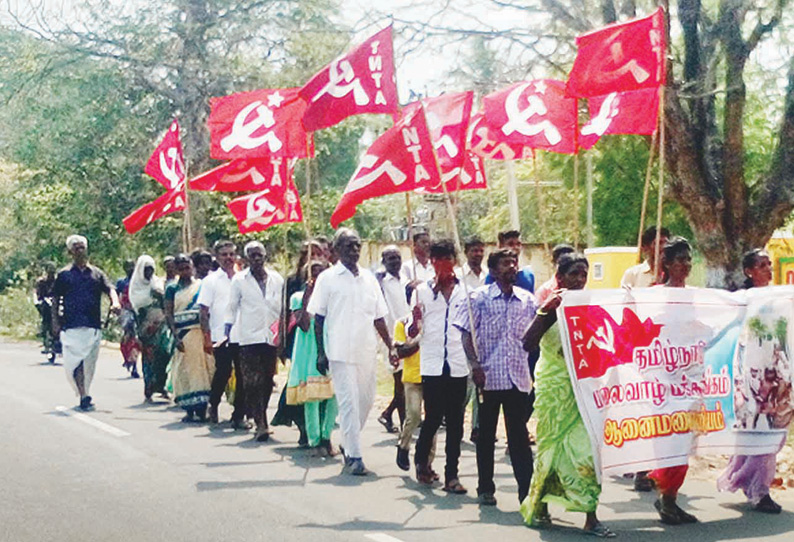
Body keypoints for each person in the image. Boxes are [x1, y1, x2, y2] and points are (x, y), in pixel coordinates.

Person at [520, 253, 615, 538]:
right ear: (559, 278)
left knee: (587, 452)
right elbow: (527, 342)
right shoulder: (552, 307)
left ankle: (590, 516)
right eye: (573, 274)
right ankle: (540, 506)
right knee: (550, 450)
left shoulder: (589, 306)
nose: (579, 280)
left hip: (584, 390)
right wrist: (544, 311)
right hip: (554, 388)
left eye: (583, 274)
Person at [307, 228, 395, 475]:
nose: (354, 250)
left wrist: (391, 346)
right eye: (348, 246)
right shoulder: (327, 279)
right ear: (336, 250)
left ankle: (348, 440)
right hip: (339, 352)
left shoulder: (369, 278)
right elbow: (318, 319)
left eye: (357, 245)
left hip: (366, 350)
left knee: (366, 401)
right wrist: (320, 352)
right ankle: (354, 457)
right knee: (349, 404)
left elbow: (379, 317)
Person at [456, 248, 535, 506]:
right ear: (493, 270)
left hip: (517, 378)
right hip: (487, 377)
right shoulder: (478, 299)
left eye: (514, 262)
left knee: (519, 437)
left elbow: (535, 335)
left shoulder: (527, 300)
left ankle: (527, 490)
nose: (511, 266)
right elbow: (466, 334)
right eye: (505, 263)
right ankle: (485, 487)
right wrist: (474, 365)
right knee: (486, 435)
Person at [717, 249, 784, 514]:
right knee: (760, 430)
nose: (768, 269)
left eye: (769, 264)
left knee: (774, 431)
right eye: (762, 265)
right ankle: (760, 491)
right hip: (750, 376)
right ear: (749, 271)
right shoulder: (742, 301)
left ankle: (745, 477)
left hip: (776, 374)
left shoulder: (779, 298)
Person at [409, 239, 470, 494]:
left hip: (457, 362)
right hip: (432, 362)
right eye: (435, 260)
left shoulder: (465, 290)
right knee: (433, 417)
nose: (440, 265)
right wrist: (415, 321)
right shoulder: (421, 291)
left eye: (445, 260)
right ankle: (422, 463)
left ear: (454, 262)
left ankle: (451, 475)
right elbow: (413, 331)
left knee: (456, 422)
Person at [646, 236, 698, 524]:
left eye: (689, 260)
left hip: (688, 381)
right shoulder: (653, 296)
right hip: (662, 383)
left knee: (683, 442)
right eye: (680, 260)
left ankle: (670, 499)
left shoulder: (693, 296)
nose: (686, 265)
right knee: (668, 441)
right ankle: (666, 499)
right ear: (666, 263)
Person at [52, 235, 121, 411]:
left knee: (87, 362)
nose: (80, 250)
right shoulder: (64, 275)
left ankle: (84, 393)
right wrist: (55, 322)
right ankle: (84, 394)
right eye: (76, 247)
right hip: (70, 326)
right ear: (70, 252)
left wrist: (115, 303)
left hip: (92, 325)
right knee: (74, 362)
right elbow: (55, 299)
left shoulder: (96, 273)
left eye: (82, 246)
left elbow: (110, 289)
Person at [226, 241, 284, 442]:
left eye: (259, 255)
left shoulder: (277, 279)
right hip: (248, 338)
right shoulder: (239, 280)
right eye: (252, 256)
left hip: (271, 337)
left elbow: (282, 309)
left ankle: (261, 416)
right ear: (246, 259)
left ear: (265, 256)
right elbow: (231, 308)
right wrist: (226, 333)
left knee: (268, 380)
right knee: (252, 381)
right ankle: (261, 424)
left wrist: (282, 336)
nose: (257, 259)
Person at [285, 260, 338, 456]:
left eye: (321, 272)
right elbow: (304, 324)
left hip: (331, 347)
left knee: (335, 396)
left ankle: (326, 436)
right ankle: (314, 440)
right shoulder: (297, 297)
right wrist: (308, 295)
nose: (317, 276)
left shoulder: (332, 297)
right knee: (312, 397)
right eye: (313, 272)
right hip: (309, 351)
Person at [198, 240, 248, 429]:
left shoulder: (243, 278)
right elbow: (203, 312)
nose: (228, 258)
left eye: (231, 254)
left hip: (242, 334)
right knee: (223, 372)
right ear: (217, 257)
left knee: (243, 375)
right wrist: (206, 337)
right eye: (224, 255)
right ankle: (214, 404)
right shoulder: (210, 281)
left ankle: (238, 415)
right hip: (221, 336)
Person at [164, 254, 215, 423]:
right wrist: (175, 336)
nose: (186, 270)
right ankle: (189, 409)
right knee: (184, 371)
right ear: (177, 270)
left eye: (188, 266)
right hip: (183, 336)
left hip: (200, 334)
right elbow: (169, 314)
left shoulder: (201, 286)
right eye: (182, 268)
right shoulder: (172, 289)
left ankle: (202, 408)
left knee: (204, 369)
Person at [394, 314, 436, 473]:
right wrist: (421, 338)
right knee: (414, 415)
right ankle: (403, 445)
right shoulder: (403, 323)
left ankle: (427, 463)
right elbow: (401, 352)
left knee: (432, 419)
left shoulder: (435, 320)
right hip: (412, 376)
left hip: (432, 374)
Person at [128, 255, 172, 402]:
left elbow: (164, 299)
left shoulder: (157, 282)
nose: (149, 273)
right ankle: (149, 388)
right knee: (149, 357)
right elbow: (138, 307)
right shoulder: (136, 287)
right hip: (146, 329)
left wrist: (159, 296)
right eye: (146, 269)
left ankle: (162, 386)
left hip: (161, 325)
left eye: (151, 269)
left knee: (163, 355)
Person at [376, 245, 409, 434]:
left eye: (397, 257)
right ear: (383, 262)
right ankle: (403, 422)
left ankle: (388, 414)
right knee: (400, 380)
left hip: (410, 336)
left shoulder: (406, 280)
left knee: (409, 380)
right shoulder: (380, 283)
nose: (395, 261)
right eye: (390, 259)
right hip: (390, 337)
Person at [116, 259, 141, 378]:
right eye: (128, 267)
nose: (130, 269)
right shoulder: (121, 282)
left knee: (137, 338)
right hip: (126, 311)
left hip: (139, 310)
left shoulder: (139, 281)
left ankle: (134, 364)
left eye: (132, 266)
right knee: (128, 334)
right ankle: (127, 358)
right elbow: (116, 296)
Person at [33, 261, 60, 363]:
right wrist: (37, 302)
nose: (51, 274)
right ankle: (44, 334)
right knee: (45, 318)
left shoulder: (58, 281)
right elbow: (36, 293)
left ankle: (59, 339)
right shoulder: (41, 282)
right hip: (44, 302)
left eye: (52, 271)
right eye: (49, 271)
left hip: (56, 303)